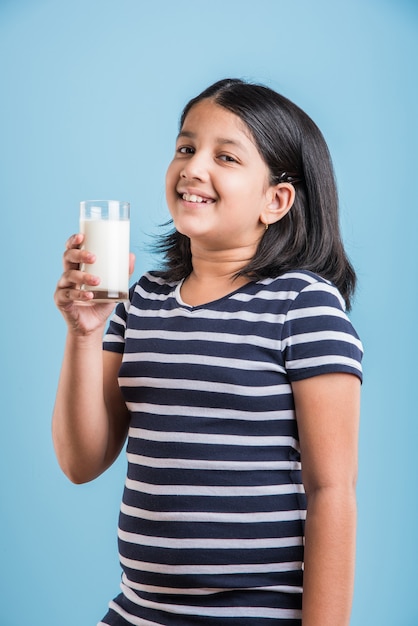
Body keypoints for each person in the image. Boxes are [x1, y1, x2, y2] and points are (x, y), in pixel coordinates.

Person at [53, 78, 363, 626]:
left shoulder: (303, 306)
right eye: (186, 148)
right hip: (137, 613)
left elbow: (331, 491)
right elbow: (81, 462)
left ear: (276, 200)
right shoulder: (141, 299)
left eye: (226, 156)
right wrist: (84, 334)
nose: (194, 168)